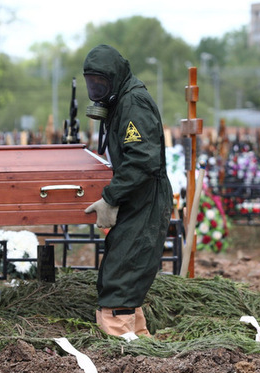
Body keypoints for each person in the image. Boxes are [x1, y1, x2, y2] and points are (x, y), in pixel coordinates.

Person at [82, 45, 173, 338]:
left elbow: (143, 159)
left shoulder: (133, 102)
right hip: (136, 193)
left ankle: (121, 340)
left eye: (101, 83)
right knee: (124, 262)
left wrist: (111, 197)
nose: (96, 90)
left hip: (145, 196)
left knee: (124, 266)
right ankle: (136, 335)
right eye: (91, 83)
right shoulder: (121, 101)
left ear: (116, 78)